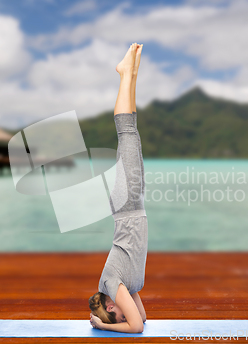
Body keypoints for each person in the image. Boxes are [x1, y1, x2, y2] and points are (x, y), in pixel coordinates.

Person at [88, 43, 147, 333]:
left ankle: (125, 74)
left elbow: (135, 327)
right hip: (134, 205)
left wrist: (103, 326)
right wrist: (123, 316)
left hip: (127, 205)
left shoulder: (112, 283)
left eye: (118, 316)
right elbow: (143, 319)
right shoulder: (128, 286)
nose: (127, 315)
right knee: (132, 134)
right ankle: (131, 74)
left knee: (127, 133)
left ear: (111, 306)